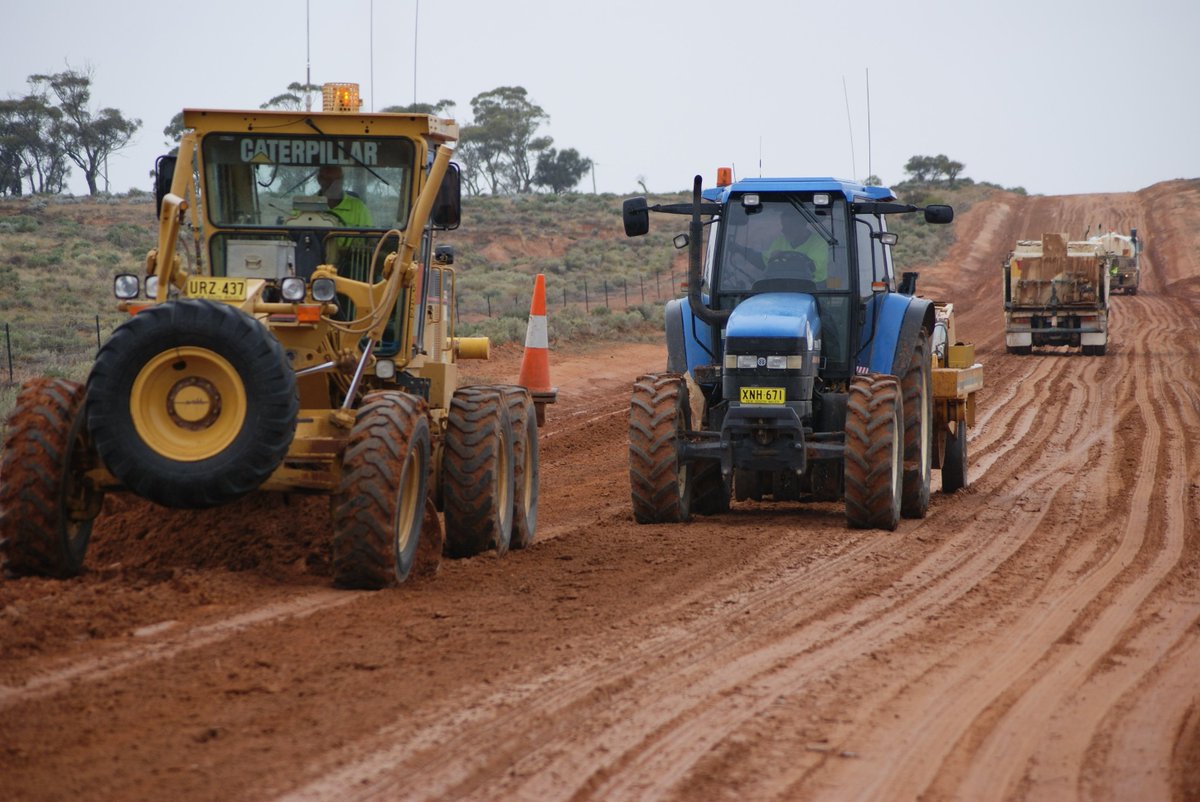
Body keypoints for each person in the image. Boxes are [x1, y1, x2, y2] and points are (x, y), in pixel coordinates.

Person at [763, 212, 829, 282]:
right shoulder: (780, 241)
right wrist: (750, 254)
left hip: (815, 288)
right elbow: (766, 260)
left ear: (802, 225)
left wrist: (787, 257)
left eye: (789, 226)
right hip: (782, 285)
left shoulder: (819, 242)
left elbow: (812, 266)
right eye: (783, 226)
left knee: (835, 283)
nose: (783, 230)